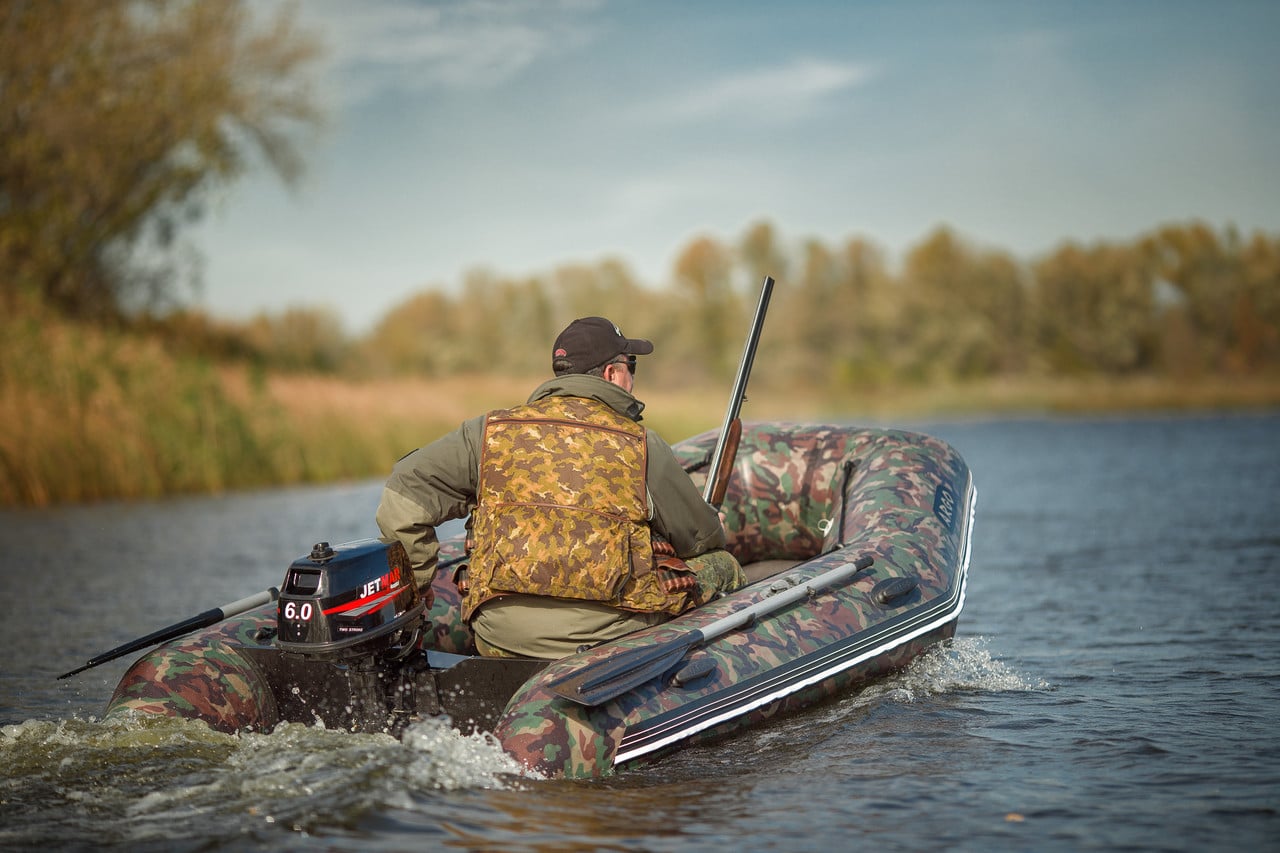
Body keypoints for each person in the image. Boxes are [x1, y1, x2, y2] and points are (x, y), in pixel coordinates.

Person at [376, 316, 746, 659]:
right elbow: (702, 541)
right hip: (608, 636)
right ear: (613, 373)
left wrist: (418, 585)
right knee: (723, 565)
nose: (632, 377)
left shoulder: (487, 433)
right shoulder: (641, 444)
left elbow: (404, 492)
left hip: (498, 637)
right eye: (632, 367)